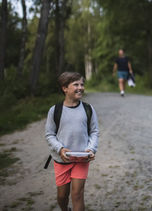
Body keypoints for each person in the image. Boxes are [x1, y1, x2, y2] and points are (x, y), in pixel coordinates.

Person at [45, 72, 99, 211]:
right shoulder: (55, 110)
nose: (80, 87)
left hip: (82, 158)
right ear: (65, 88)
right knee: (62, 196)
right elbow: (50, 134)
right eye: (76, 84)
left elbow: (94, 132)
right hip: (62, 160)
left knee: (77, 194)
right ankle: (65, 209)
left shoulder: (88, 109)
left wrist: (91, 149)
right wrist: (60, 149)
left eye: (82, 84)